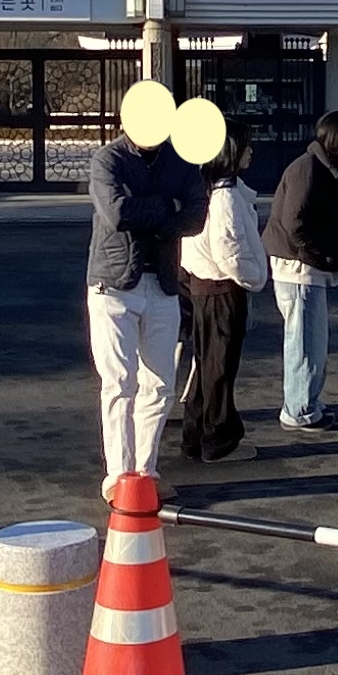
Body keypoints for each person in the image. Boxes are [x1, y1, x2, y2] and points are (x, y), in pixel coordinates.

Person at [82, 120, 201, 492]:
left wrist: (154, 215)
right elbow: (117, 214)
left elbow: (196, 215)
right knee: (119, 383)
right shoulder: (108, 159)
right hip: (113, 284)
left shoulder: (182, 162)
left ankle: (145, 472)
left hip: (162, 283)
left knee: (160, 384)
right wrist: (168, 206)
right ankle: (119, 476)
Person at [171, 123, 267, 461]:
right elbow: (229, 250)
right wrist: (253, 277)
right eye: (246, 145)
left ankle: (196, 436)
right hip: (221, 289)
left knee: (206, 365)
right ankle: (217, 439)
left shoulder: (204, 188)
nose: (251, 152)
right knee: (219, 368)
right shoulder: (225, 197)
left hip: (202, 287)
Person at [264, 109, 338, 431]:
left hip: (302, 268)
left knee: (310, 343)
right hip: (299, 269)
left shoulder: (316, 167)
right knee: (304, 344)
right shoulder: (309, 170)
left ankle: (306, 402)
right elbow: (294, 223)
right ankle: (299, 408)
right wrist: (317, 254)